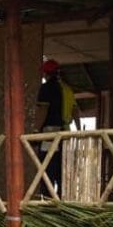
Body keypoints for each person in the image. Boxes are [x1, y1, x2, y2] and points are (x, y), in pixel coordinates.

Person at [35, 59, 82, 194]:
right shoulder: (67, 89)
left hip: (50, 135)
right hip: (66, 134)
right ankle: (62, 199)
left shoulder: (46, 88)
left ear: (46, 73)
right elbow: (75, 111)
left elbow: (43, 110)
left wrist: (36, 130)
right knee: (62, 169)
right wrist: (78, 130)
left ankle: (48, 202)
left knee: (47, 169)